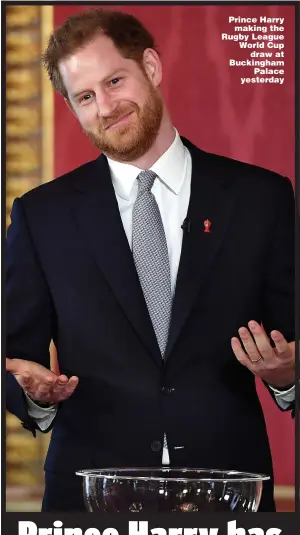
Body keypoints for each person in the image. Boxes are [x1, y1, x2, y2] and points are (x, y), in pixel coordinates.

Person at [6, 9, 295, 512]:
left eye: (115, 81)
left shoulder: (261, 199)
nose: (106, 107)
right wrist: (34, 395)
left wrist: (287, 377)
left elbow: (290, 340)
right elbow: (15, 359)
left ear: (152, 69)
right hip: (88, 495)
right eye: (85, 97)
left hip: (230, 490)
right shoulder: (41, 216)